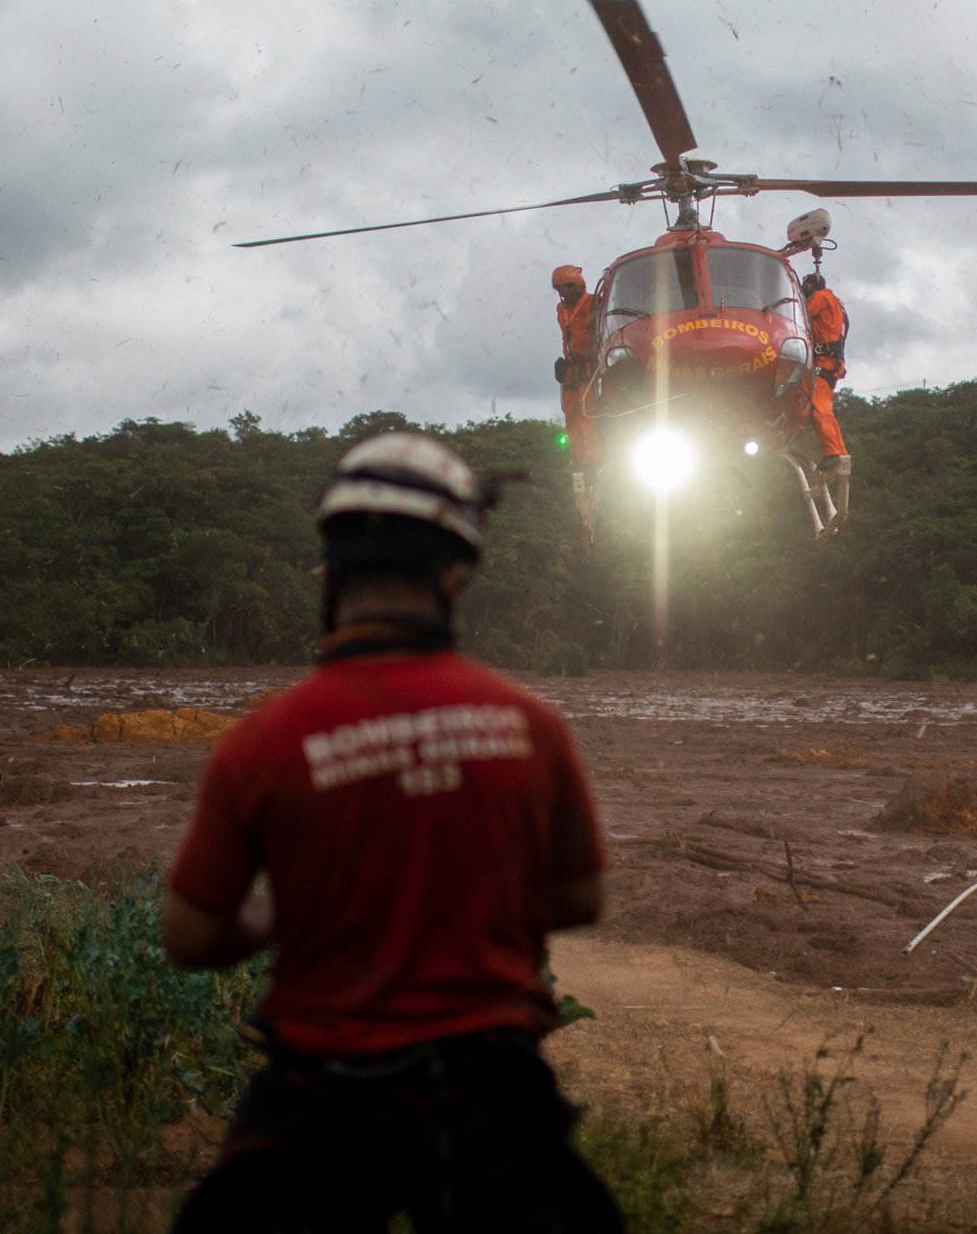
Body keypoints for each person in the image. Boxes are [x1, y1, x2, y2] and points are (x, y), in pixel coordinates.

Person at [163, 430, 620, 1233]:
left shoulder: (263, 743)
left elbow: (190, 935)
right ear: (455, 570)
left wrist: (288, 910)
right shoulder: (529, 726)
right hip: (490, 1089)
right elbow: (580, 896)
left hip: (319, 1093)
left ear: (330, 568)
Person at [552, 265, 601, 468]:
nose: (565, 292)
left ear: (579, 285)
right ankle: (580, 464)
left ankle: (594, 463)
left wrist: (592, 357)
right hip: (571, 372)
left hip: (590, 368)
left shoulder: (594, 303)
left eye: (568, 287)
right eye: (560, 289)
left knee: (588, 417)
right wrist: (564, 364)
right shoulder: (561, 310)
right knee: (571, 420)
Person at [801, 272, 849, 475]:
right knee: (826, 409)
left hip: (826, 361)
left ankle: (832, 454)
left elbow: (801, 313)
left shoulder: (821, 298)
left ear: (811, 287)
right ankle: (840, 453)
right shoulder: (835, 301)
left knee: (818, 407)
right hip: (832, 362)